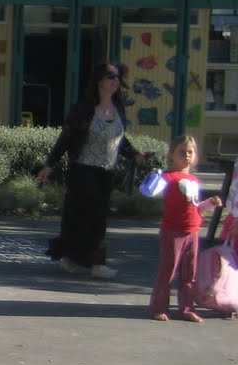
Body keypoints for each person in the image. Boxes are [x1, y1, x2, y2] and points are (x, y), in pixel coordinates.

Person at [39, 62, 144, 279]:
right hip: (83, 169)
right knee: (89, 215)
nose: (115, 81)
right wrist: (50, 164)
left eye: (117, 77)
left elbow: (119, 139)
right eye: (110, 77)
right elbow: (66, 138)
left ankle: (74, 257)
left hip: (107, 171)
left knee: (94, 215)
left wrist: (134, 154)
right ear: (99, 80)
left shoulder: (118, 108)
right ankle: (95, 263)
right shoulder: (84, 108)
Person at [149, 135, 221, 322]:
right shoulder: (167, 177)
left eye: (191, 152)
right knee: (168, 271)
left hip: (192, 231)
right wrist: (153, 179)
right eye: (182, 151)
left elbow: (196, 205)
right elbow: (148, 191)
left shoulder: (194, 180)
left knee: (190, 273)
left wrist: (209, 203)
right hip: (172, 231)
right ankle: (159, 307)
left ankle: (187, 308)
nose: (187, 155)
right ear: (172, 155)